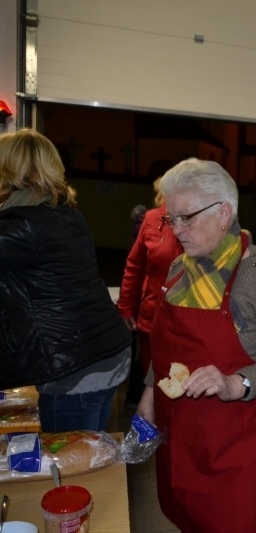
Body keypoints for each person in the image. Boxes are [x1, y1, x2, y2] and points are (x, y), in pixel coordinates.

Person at [135, 158, 256, 532]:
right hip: (181, 433)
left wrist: (236, 383)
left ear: (224, 212)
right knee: (186, 514)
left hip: (237, 440)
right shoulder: (180, 267)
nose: (177, 230)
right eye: (171, 219)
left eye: (187, 218)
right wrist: (150, 389)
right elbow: (165, 344)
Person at [0, 128, 132, 431]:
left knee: (68, 466)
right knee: (90, 457)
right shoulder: (66, 215)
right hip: (103, 352)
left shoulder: (23, 226)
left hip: (75, 368)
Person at [118, 177, 183, 402]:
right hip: (152, 316)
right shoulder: (152, 219)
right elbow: (135, 265)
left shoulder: (200, 219)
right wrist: (126, 306)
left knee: (182, 381)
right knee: (153, 382)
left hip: (187, 318)